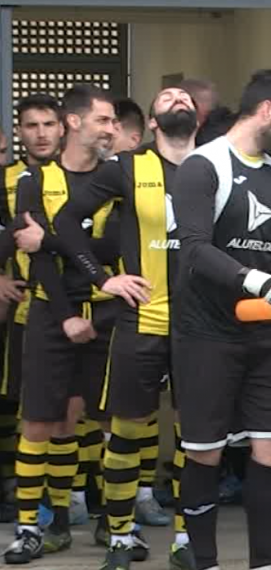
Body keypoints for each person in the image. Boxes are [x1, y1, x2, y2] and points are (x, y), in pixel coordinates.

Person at [171, 69, 271, 570]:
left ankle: (265, 564)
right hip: (204, 334)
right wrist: (266, 285)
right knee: (204, 453)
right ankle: (205, 561)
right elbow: (194, 251)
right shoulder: (202, 166)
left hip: (262, 335)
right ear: (266, 110)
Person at [50, 86, 199, 569]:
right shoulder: (128, 166)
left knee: (195, 438)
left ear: (198, 117)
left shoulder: (218, 164)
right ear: (152, 122)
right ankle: (119, 538)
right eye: (167, 97)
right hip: (142, 320)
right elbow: (66, 222)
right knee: (127, 432)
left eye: (185, 98)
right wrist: (103, 278)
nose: (177, 101)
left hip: (200, 326)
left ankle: (185, 540)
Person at [3, 83, 119, 564]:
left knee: (107, 423)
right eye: (104, 120)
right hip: (51, 313)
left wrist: (51, 241)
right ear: (77, 122)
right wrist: (67, 315)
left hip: (108, 311)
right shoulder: (34, 179)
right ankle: (34, 527)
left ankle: (114, 523)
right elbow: (36, 259)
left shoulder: (118, 177)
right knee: (40, 423)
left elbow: (114, 247)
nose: (111, 129)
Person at [0, 94, 63, 525]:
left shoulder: (88, 176)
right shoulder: (7, 179)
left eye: (48, 124)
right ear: (20, 131)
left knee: (78, 414)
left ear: (63, 127)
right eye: (32, 125)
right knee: (28, 410)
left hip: (82, 308)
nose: (41, 134)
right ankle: (28, 502)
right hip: (26, 311)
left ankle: (78, 501)